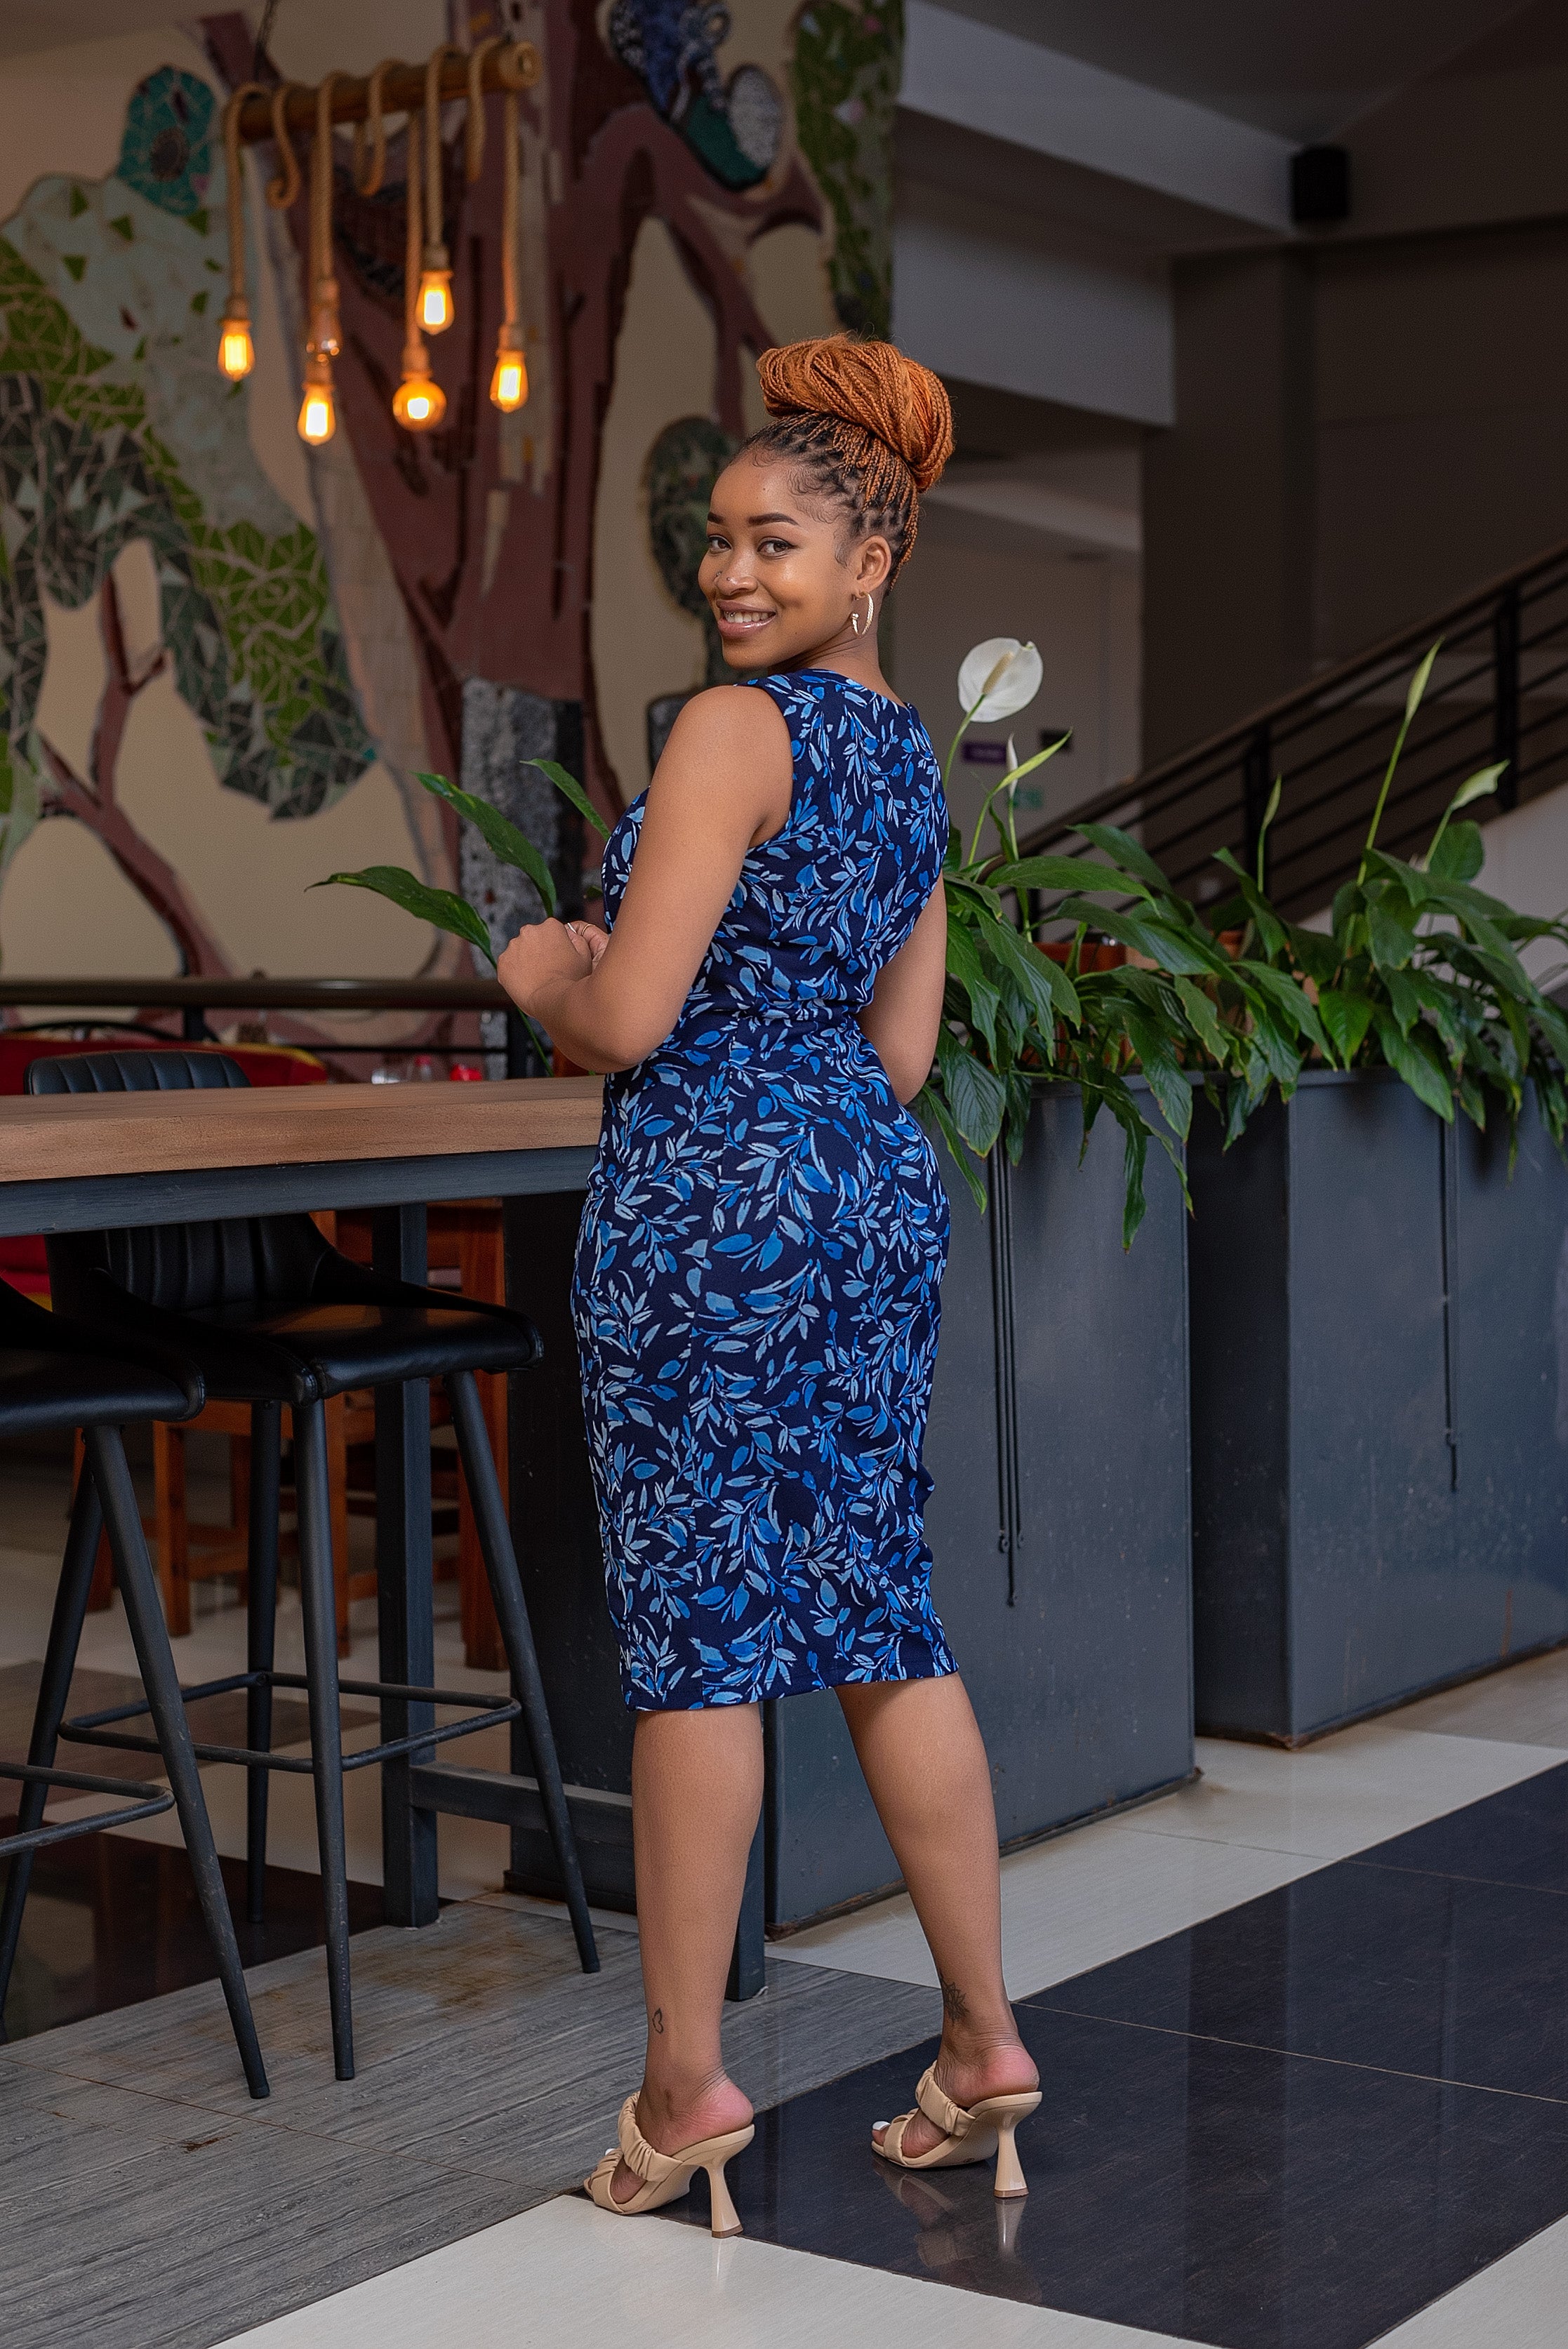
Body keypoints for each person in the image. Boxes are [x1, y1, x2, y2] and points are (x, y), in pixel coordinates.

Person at [498, 333, 1040, 2235]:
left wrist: (534, 968)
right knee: (880, 1614)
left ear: (869, 554)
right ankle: (979, 2043)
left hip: (707, 1204)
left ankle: (681, 2082)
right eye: (719, 538)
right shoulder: (906, 766)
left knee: (699, 1641)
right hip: (864, 1197)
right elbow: (898, 1052)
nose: (731, 571)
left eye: (776, 542)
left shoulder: (733, 733)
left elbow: (629, 1011)